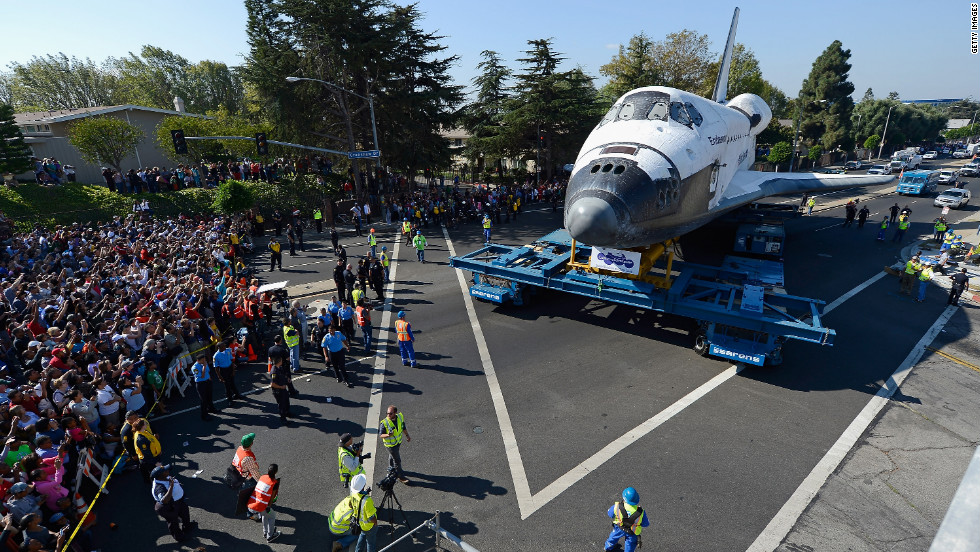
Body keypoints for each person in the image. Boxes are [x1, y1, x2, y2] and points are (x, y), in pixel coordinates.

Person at [328, 474, 375, 552]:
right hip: (337, 529)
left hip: (332, 522)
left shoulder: (349, 498)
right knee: (360, 532)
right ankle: (339, 543)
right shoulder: (353, 510)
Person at [151, 465, 195, 542]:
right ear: (160, 475)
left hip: (178, 502)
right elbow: (164, 500)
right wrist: (171, 486)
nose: (168, 471)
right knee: (173, 522)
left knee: (185, 513)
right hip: (168, 506)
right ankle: (179, 537)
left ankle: (187, 527)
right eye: (165, 471)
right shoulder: (158, 487)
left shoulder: (164, 477)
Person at [604, 486, 649, 552]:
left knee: (613, 537)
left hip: (619, 527)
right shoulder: (641, 512)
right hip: (632, 531)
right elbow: (645, 524)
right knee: (630, 544)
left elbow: (610, 514)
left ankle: (608, 547)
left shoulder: (617, 506)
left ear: (624, 498)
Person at [247, 464, 281, 542]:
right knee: (272, 516)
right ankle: (270, 536)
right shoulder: (274, 483)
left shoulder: (262, 477)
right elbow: (272, 498)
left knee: (265, 515)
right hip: (260, 506)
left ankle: (265, 532)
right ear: (276, 472)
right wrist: (269, 506)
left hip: (251, 504)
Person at [380, 405, 411, 484]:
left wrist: (407, 435)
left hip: (397, 442)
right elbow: (381, 435)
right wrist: (388, 435)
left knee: (392, 456)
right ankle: (400, 476)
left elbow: (403, 427)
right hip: (390, 445)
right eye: (387, 413)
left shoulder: (400, 417)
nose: (388, 415)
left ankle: (391, 469)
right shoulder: (384, 423)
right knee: (397, 460)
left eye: (390, 413)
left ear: (395, 413)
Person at [233, 433, 262, 516]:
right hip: (248, 479)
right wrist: (261, 482)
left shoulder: (239, 449)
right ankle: (251, 513)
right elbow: (255, 473)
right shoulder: (248, 459)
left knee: (246, 495)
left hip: (239, 475)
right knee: (251, 496)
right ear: (251, 443)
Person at [214, 340, 244, 407]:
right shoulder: (216, 356)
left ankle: (237, 394)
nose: (225, 346)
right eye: (223, 346)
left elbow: (231, 361)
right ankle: (229, 399)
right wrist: (219, 376)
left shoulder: (228, 351)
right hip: (223, 370)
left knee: (232, 382)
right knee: (227, 385)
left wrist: (233, 371)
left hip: (230, 368)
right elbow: (216, 368)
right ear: (219, 347)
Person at [190, 353, 218, 421]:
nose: (204, 361)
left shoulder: (204, 363)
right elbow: (202, 376)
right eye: (203, 360)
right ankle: (204, 415)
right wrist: (204, 367)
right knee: (204, 400)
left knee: (209, 397)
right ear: (198, 360)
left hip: (207, 382)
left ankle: (211, 408)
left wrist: (209, 378)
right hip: (201, 384)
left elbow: (208, 372)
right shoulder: (195, 368)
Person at [269, 356, 292, 425]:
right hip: (278, 391)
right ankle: (283, 418)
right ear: (279, 362)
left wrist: (287, 378)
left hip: (283, 389)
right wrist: (281, 387)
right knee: (282, 404)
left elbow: (283, 375)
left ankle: (287, 412)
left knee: (286, 401)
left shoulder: (280, 368)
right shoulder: (274, 372)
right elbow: (272, 384)